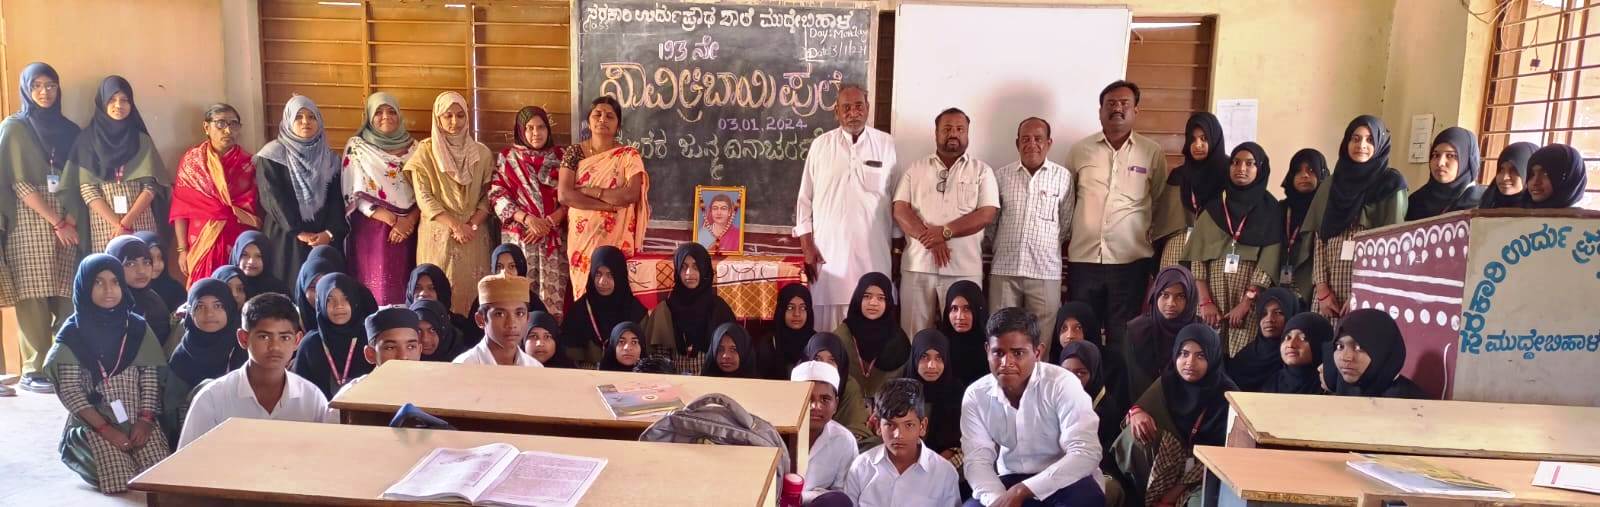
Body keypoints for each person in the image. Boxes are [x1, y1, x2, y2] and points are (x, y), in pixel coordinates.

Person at [1066, 80, 1172, 384]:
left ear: (1136, 110)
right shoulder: (1080, 151)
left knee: (1122, 338)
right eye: (1111, 103)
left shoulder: (1151, 153)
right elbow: (1068, 200)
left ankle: (1116, 399)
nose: (1117, 108)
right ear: (1100, 110)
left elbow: (1160, 202)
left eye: (1125, 103)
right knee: (1082, 335)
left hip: (1130, 262)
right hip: (1084, 259)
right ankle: (1082, 396)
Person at [44, 254, 171, 493]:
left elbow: (150, 377)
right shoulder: (72, 333)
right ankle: (82, 449)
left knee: (160, 476)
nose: (109, 290)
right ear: (84, 286)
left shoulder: (136, 327)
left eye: (115, 282)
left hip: (138, 419)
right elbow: (70, 390)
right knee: (121, 480)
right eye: (98, 282)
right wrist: (106, 429)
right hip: (96, 422)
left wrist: (145, 420)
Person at [961, 307, 1104, 507]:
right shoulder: (976, 395)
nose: (1006, 363)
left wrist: (1022, 491)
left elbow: (1085, 452)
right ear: (987, 350)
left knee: (1087, 500)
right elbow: (977, 461)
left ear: (1037, 352)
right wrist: (998, 500)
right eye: (998, 353)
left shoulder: (1062, 384)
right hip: (1009, 481)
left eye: (1018, 353)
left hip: (1065, 482)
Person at [2, 62, 82, 395]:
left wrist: (70, 220)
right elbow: (19, 183)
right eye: (36, 86)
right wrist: (57, 222)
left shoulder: (70, 130)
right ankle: (34, 369)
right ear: (26, 89)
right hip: (29, 219)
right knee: (33, 294)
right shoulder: (15, 128)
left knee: (66, 292)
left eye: (50, 85)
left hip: (68, 217)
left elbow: (81, 178)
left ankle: (60, 365)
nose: (44, 92)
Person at [795, 83, 898, 332]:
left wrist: (897, 253)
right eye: (846, 107)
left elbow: (897, 201)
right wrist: (807, 248)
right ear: (836, 112)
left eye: (859, 106)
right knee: (827, 336)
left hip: (874, 257)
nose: (853, 112)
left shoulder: (886, 144)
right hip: (828, 259)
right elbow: (804, 200)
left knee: (870, 330)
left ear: (868, 108)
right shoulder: (820, 146)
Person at [894, 107, 999, 335]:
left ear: (968, 134)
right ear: (936, 133)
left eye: (960, 129)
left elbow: (987, 213)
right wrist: (931, 238)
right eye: (947, 128)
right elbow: (900, 209)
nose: (954, 134)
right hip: (918, 267)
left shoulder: (982, 171)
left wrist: (945, 232)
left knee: (963, 336)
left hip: (964, 269)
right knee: (913, 335)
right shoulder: (916, 168)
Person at [178, 293, 329, 449]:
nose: (275, 347)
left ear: (297, 341)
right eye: (264, 337)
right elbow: (187, 460)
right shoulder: (212, 399)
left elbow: (326, 453)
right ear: (243, 338)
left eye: (284, 337)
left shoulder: (311, 398)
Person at [1115, 324, 1236, 507]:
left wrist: (1173, 494)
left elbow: (1222, 458)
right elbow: (1140, 406)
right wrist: (1136, 412)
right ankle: (1140, 497)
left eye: (1200, 356)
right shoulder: (1169, 381)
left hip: (1206, 472)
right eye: (1184, 354)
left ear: (1213, 357)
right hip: (1171, 460)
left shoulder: (1227, 395)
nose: (1190, 362)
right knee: (1133, 436)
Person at [1305, 116, 1408, 324]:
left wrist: (1362, 293)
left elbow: (1392, 244)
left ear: (1380, 143)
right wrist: (1322, 290)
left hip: (1368, 291)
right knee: (1321, 341)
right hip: (1328, 294)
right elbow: (1319, 238)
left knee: (1356, 341)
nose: (1361, 145)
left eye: (1370, 140)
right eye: (1355, 138)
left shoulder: (1390, 184)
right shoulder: (1331, 184)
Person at [1184, 142, 1283, 354]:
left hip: (1249, 301)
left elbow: (1269, 261)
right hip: (1212, 299)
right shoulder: (1213, 208)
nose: (1241, 168)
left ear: (1260, 168)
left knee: (1244, 356)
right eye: (1236, 162)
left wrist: (1247, 302)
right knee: (1208, 354)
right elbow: (1197, 259)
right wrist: (1205, 302)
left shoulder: (1271, 209)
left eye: (1250, 163)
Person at [407, 91, 494, 316]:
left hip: (474, 235)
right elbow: (424, 197)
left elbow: (489, 196)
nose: (455, 122)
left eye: (460, 115)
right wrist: (456, 226)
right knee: (437, 290)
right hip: (438, 232)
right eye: (448, 116)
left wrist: (471, 225)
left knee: (475, 298)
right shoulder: (424, 152)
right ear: (438, 118)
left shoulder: (482, 153)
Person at [560, 96, 650, 299]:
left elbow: (630, 194)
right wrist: (607, 206)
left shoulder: (628, 155)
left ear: (618, 125)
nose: (602, 119)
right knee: (585, 295)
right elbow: (565, 195)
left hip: (616, 239)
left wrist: (588, 190)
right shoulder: (574, 152)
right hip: (583, 240)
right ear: (588, 121)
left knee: (615, 292)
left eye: (610, 116)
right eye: (597, 114)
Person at [64, 76, 168, 251]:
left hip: (140, 221)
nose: (118, 105)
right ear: (102, 102)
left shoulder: (142, 140)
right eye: (112, 99)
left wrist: (127, 223)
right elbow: (88, 189)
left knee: (143, 265)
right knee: (108, 267)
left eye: (124, 100)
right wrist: (117, 225)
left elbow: (151, 186)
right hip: (105, 225)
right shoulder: (87, 140)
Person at [989, 117, 1073, 329]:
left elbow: (1066, 224)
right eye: (1025, 139)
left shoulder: (1063, 177)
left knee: (1041, 338)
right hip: (1005, 270)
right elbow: (991, 224)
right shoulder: (1001, 176)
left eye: (1038, 138)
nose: (1032, 144)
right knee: (1001, 333)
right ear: (1017, 143)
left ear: (1049, 143)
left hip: (1045, 271)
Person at [255, 95, 346, 291]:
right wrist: (298, 231)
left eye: (312, 117)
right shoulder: (272, 155)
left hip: (323, 240)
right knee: (286, 291)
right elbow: (271, 198)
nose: (306, 122)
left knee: (322, 292)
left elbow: (337, 201)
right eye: (298, 117)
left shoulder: (331, 159)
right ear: (288, 120)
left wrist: (329, 233)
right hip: (286, 238)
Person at [491, 106, 570, 318]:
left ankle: (549, 336)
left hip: (554, 241)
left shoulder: (562, 157)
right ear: (520, 130)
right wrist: (528, 220)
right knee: (519, 299)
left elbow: (572, 194)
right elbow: (497, 195)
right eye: (530, 128)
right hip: (522, 238)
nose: (536, 133)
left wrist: (549, 222)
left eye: (541, 127)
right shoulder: (508, 158)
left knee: (554, 302)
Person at [169, 103, 258, 288]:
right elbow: (180, 209)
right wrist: (182, 250)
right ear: (206, 127)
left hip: (237, 238)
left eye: (233, 124)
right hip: (201, 239)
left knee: (236, 289)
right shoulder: (192, 162)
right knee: (204, 290)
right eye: (221, 123)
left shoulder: (248, 163)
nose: (228, 130)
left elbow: (255, 208)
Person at [342, 92, 418, 306]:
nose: (386, 116)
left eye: (392, 111)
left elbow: (426, 190)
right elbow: (352, 190)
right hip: (373, 229)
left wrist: (409, 221)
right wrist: (394, 221)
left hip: (410, 231)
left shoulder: (416, 148)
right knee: (376, 294)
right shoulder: (357, 147)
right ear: (369, 116)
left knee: (407, 289)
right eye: (379, 112)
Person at [847, 378, 963, 507]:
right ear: (878, 426)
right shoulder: (861, 467)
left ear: (922, 426)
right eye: (890, 425)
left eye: (909, 425)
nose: (898, 435)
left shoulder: (944, 473)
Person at [162, 279, 246, 440]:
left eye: (218, 306)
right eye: (200, 307)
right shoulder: (182, 356)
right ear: (190, 312)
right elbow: (172, 411)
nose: (209, 314)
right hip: (191, 436)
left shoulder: (243, 347)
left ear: (229, 308)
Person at [644, 242, 734, 376]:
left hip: (713, 382)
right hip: (674, 383)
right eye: (683, 267)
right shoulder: (665, 310)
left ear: (705, 269)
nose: (689, 273)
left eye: (696, 267)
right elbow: (658, 362)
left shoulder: (719, 309)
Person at [833, 273, 911, 418]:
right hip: (845, 413)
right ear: (858, 298)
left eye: (881, 298)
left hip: (888, 415)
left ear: (888, 302)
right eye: (867, 296)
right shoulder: (841, 336)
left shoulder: (898, 341)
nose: (873, 303)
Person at [1124, 266, 1200, 410]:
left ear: (1190, 298)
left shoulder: (1201, 332)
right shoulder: (1137, 331)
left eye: (1180, 296)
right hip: (1145, 409)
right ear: (1155, 294)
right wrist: (1139, 410)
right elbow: (1134, 382)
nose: (1171, 303)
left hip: (1191, 410)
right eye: (1165, 295)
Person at [1160, 113, 1229, 269]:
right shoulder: (1179, 175)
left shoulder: (1229, 173)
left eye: (1204, 138)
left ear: (1214, 139)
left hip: (1218, 251)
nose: (1198, 145)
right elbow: (1165, 223)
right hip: (1181, 248)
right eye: (1192, 139)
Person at [561, 245, 646, 369]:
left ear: (620, 275)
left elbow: (645, 357)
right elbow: (569, 360)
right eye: (598, 274)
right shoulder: (579, 311)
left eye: (610, 275)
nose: (602, 281)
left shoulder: (635, 311)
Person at [292, 273, 375, 398]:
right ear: (320, 303)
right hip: (319, 409)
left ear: (354, 301)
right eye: (329, 299)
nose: (339, 305)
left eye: (346, 298)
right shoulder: (310, 343)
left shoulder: (368, 338)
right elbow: (299, 390)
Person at [792, 360, 858, 507]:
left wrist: (802, 498)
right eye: (808, 398)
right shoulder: (774, 435)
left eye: (825, 399)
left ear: (836, 404)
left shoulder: (844, 440)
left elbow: (843, 495)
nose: (816, 406)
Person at [1323, 308, 1427, 399]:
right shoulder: (1347, 386)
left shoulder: (1408, 401)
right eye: (1339, 346)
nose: (1345, 357)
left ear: (1384, 350)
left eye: (1359, 347)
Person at [454, 273, 542, 367]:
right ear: (481, 320)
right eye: (500, 314)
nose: (511, 324)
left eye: (519, 313)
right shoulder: (463, 367)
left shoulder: (535, 368)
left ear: (527, 319)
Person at [901, 330, 962, 463]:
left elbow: (956, 444)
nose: (932, 365)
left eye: (939, 358)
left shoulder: (955, 392)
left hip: (944, 464)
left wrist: (932, 468)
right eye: (924, 357)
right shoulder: (899, 391)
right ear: (915, 357)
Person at [1280, 149, 1329, 305]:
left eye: (1311, 170)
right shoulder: (1281, 208)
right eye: (1298, 171)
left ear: (1321, 174)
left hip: (1314, 289)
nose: (1305, 175)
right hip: (1280, 287)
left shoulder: (1327, 209)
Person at [1226, 288, 1299, 392]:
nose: (1269, 319)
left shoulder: (1296, 356)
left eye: (1278, 312)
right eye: (1264, 313)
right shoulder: (1244, 358)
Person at [105, 235, 173, 346]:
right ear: (114, 267)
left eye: (146, 262)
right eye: (130, 264)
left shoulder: (154, 301)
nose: (141, 271)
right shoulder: (105, 302)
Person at [338, 307, 422, 395]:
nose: (403, 356)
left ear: (420, 350)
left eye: (411, 347)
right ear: (370, 354)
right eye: (390, 347)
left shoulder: (429, 388)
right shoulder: (352, 394)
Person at [805, 332, 870, 447]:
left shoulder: (849, 385)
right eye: (817, 359)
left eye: (831, 360)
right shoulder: (800, 381)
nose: (824, 366)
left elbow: (857, 428)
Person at [1407, 127, 1485, 221]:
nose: (1440, 163)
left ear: (1467, 161)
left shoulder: (1485, 203)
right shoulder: (1416, 201)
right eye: (1436, 155)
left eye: (1450, 155)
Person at [406, 263, 482, 349]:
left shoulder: (460, 327)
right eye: (417, 288)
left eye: (432, 288)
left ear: (441, 292)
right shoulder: (402, 325)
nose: (423, 293)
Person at [1261, 312, 1332, 395]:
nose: (1291, 344)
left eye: (1303, 338)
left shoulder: (1329, 386)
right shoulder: (1272, 385)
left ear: (1320, 344)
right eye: (1287, 337)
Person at [938, 280, 990, 387]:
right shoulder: (938, 345)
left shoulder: (993, 347)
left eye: (967, 309)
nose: (960, 316)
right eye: (954, 309)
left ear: (978, 309)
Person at [766, 283, 816, 378]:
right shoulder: (769, 343)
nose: (797, 314)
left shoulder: (817, 343)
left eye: (803, 308)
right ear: (781, 310)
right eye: (790, 308)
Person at [486, 243, 549, 314]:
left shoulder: (532, 301)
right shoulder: (485, 297)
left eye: (512, 266)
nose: (505, 272)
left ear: (520, 269)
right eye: (499, 267)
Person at [132, 230, 186, 310]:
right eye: (149, 260)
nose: (156, 264)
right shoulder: (126, 295)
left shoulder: (175, 290)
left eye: (160, 257)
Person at [1525, 143, 1590, 209]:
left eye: (1546, 174)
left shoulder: (1580, 215)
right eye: (1532, 174)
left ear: (1569, 178)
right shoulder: (1521, 210)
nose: (1535, 182)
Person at [1478, 142, 1536, 209]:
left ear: (1530, 173)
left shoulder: (1539, 211)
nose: (1504, 177)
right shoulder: (1489, 202)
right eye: (1501, 169)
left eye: (1514, 170)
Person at [230, 231, 287, 299]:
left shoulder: (279, 292)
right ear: (237, 255)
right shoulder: (226, 286)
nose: (251, 261)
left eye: (258, 256)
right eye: (245, 255)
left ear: (266, 258)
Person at [293, 255, 340, 333]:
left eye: (325, 286)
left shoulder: (345, 315)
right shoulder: (291, 322)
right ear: (303, 290)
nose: (319, 293)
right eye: (313, 287)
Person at [1046, 301, 1103, 367]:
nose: (1070, 335)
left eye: (1078, 328)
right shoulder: (1050, 367)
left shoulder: (1109, 367)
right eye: (1064, 328)